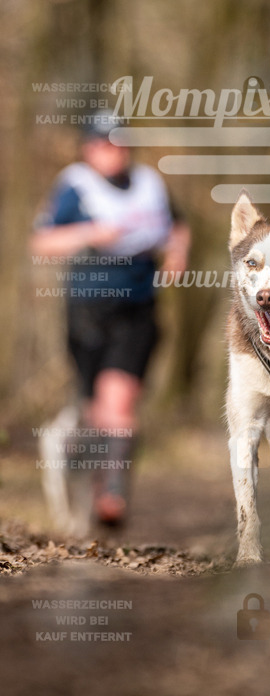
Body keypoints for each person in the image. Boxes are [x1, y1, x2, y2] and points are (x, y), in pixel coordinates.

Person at [31, 114, 191, 526]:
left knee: (118, 399)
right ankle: (90, 484)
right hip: (86, 310)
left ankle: (113, 495)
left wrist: (177, 254)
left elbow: (179, 226)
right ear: (89, 148)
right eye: (104, 144)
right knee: (95, 406)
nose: (114, 152)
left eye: (120, 144)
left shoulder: (150, 184)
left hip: (137, 307)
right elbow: (43, 241)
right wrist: (88, 233)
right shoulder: (74, 187)